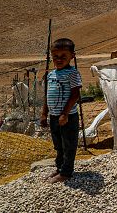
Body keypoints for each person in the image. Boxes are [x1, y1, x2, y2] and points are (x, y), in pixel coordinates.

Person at [39, 37, 82, 183]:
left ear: (72, 56)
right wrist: (44, 113)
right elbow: (47, 95)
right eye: (55, 57)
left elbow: (75, 94)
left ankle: (66, 172)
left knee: (68, 145)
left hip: (68, 117)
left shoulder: (72, 73)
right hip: (54, 117)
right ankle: (59, 168)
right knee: (58, 145)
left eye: (64, 56)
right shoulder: (50, 75)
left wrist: (65, 114)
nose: (59, 59)